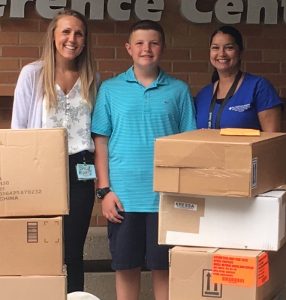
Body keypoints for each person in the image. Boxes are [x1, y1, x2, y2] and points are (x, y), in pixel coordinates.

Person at [91, 20, 196, 300]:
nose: (146, 49)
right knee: (126, 267)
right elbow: (100, 142)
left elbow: (190, 144)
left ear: (162, 47)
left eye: (153, 42)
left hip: (166, 197)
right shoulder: (110, 89)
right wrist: (104, 191)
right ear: (128, 48)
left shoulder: (179, 90)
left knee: (165, 268)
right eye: (139, 43)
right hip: (123, 197)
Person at [11, 9, 97, 293]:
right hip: (41, 170)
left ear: (85, 40)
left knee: (73, 251)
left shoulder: (92, 77)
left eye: (79, 33)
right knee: (41, 248)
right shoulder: (33, 74)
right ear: (53, 36)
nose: (72, 38)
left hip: (82, 170)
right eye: (66, 31)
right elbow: (19, 130)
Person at [195, 25, 282, 131]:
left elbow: (272, 140)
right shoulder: (203, 94)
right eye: (215, 48)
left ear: (240, 52)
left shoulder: (259, 87)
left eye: (229, 48)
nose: (221, 53)